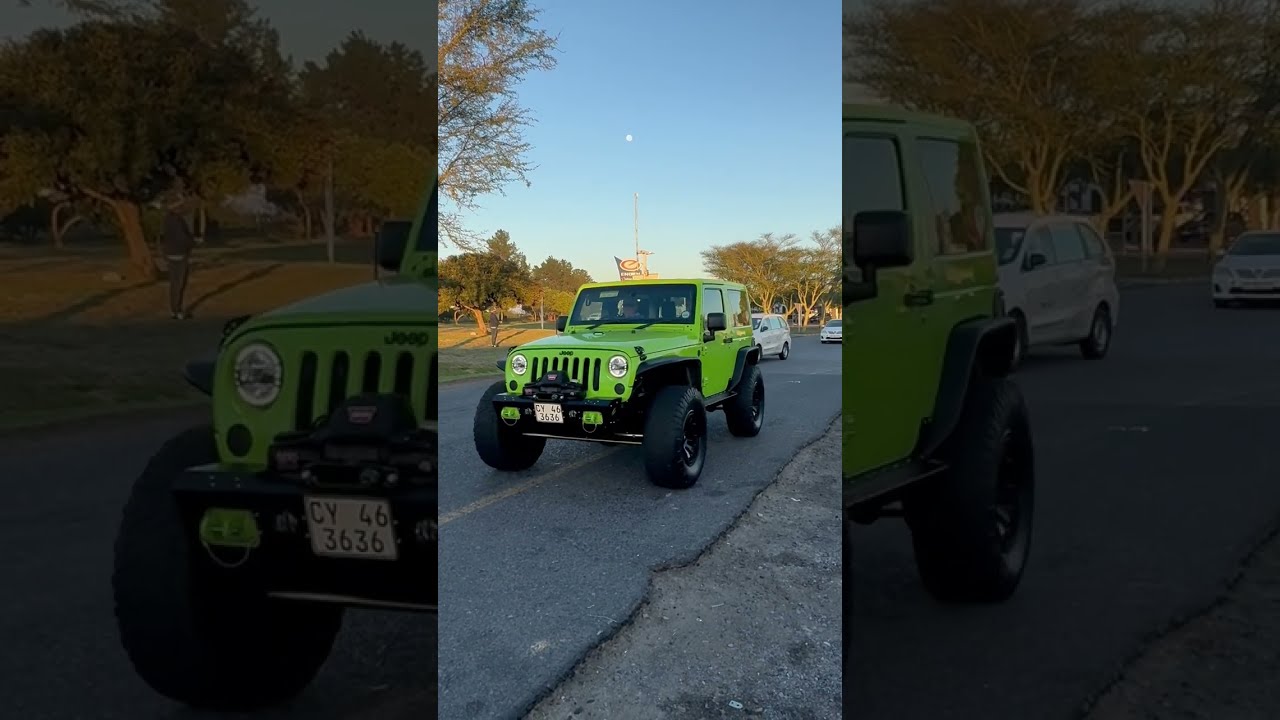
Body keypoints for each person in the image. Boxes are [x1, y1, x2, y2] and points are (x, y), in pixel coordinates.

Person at [161, 195, 202, 319]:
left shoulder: (168, 219)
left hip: (170, 253)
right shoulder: (177, 220)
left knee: (174, 284)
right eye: (180, 206)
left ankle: (175, 309)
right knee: (179, 283)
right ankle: (177, 311)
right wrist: (194, 242)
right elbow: (182, 238)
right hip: (179, 254)